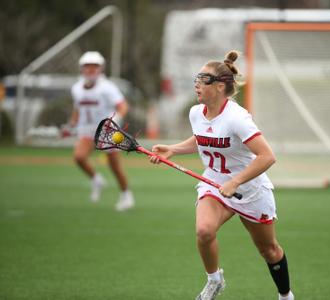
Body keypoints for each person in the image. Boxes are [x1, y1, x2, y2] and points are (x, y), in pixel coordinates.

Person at [149, 50, 294, 300]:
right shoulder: (196, 113)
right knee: (204, 231)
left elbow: (267, 156)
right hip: (214, 182)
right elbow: (204, 139)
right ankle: (215, 280)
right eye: (197, 77)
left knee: (269, 250)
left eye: (203, 78)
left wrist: (236, 181)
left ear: (219, 86)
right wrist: (173, 148)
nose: (197, 83)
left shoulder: (238, 118)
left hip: (249, 189)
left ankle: (285, 295)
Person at [68, 51, 134, 211]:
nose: (90, 70)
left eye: (94, 66)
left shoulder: (107, 87)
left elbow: (123, 106)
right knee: (78, 157)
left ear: (101, 68)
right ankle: (96, 179)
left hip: (106, 132)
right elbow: (78, 108)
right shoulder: (76, 88)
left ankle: (126, 195)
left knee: (114, 165)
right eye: (87, 66)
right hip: (86, 130)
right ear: (82, 68)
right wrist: (72, 122)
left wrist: (115, 119)